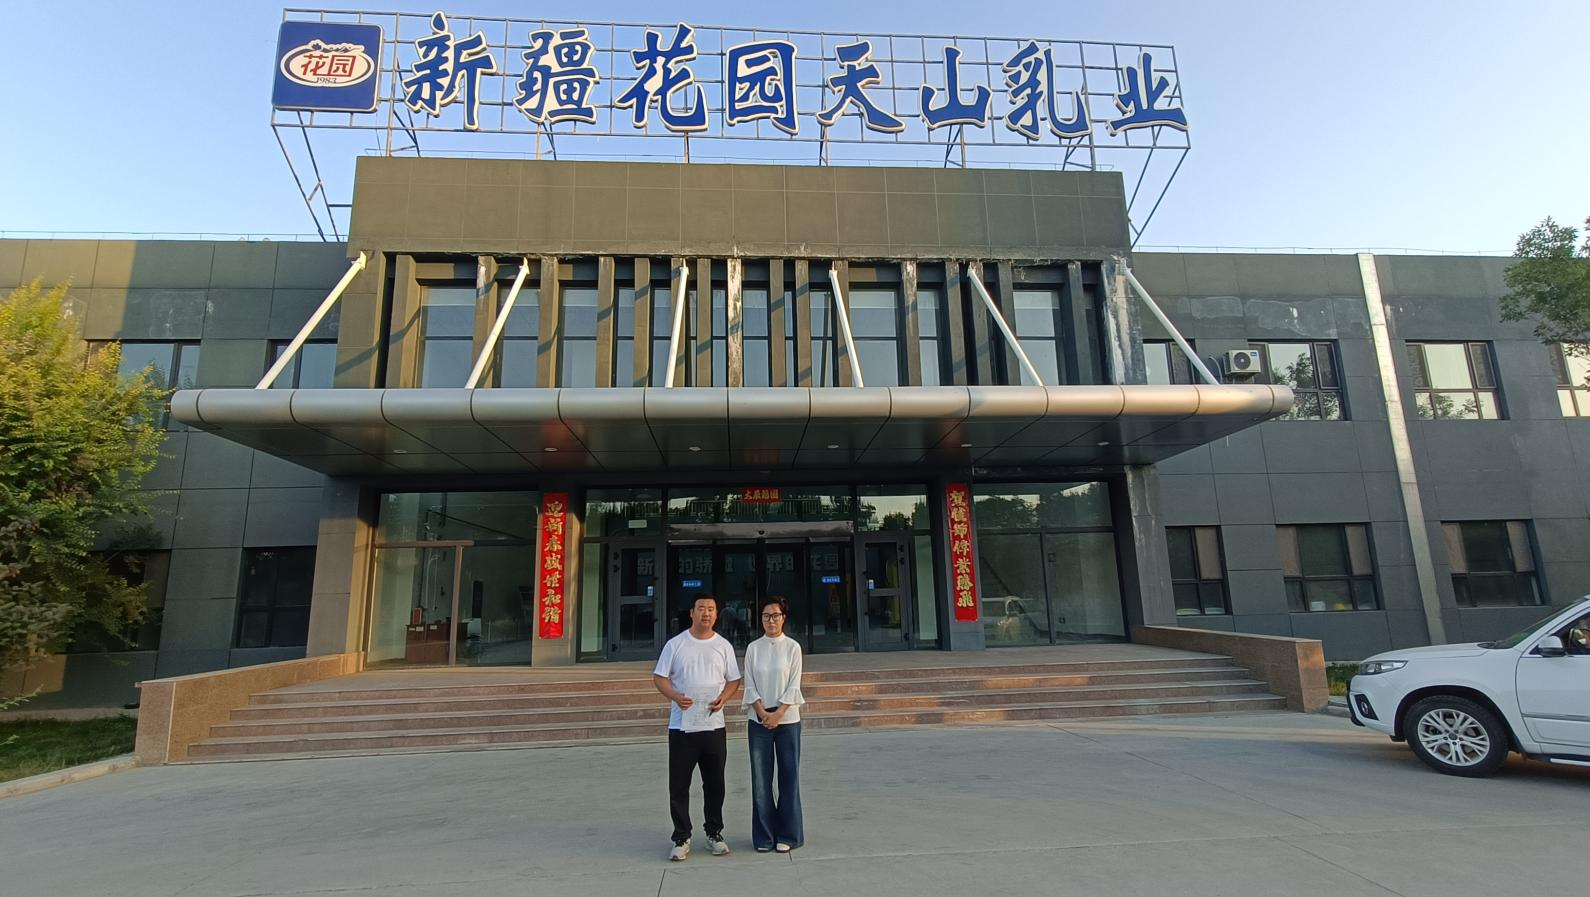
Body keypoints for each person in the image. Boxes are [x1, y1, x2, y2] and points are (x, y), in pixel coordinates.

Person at [652, 594, 742, 862]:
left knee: (715, 784)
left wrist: (724, 698)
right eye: (701, 608)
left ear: (717, 614)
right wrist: (675, 696)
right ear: (691, 613)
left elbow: (733, 680)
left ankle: (714, 833)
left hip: (714, 726)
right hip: (682, 727)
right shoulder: (676, 644)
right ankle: (681, 836)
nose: (706, 613)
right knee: (679, 785)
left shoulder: (723, 645)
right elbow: (660, 677)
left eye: (711, 609)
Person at [741, 596, 806, 853]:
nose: (771, 620)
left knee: (789, 778)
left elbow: (794, 684)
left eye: (775, 616)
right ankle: (764, 836)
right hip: (758, 721)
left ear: (783, 618)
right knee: (761, 780)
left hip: (788, 721)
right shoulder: (753, 648)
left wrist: (778, 714)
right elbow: (749, 684)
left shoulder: (792, 647)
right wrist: (761, 712)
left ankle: (789, 835)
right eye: (766, 616)